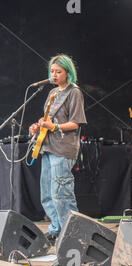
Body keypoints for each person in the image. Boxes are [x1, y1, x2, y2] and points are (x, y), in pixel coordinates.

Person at [29, 54, 87, 245]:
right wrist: (39, 126)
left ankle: (72, 235)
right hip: (47, 147)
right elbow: (49, 119)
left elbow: (76, 123)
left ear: (68, 73)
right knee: (46, 194)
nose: (54, 74)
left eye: (58, 71)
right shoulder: (52, 93)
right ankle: (56, 230)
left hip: (63, 149)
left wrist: (54, 127)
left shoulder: (74, 92)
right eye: (52, 71)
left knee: (61, 194)